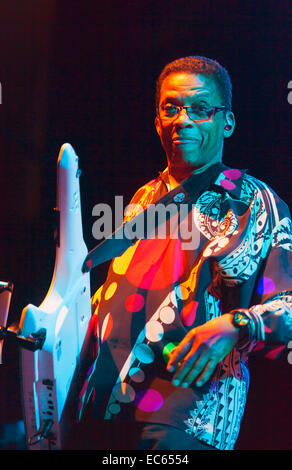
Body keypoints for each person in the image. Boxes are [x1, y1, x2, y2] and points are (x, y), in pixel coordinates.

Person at [72, 56, 292, 451]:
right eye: (170, 108)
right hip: (102, 409)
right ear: (157, 121)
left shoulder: (255, 201)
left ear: (227, 122)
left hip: (188, 415)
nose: (183, 119)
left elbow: (290, 304)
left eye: (200, 109)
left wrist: (236, 324)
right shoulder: (142, 200)